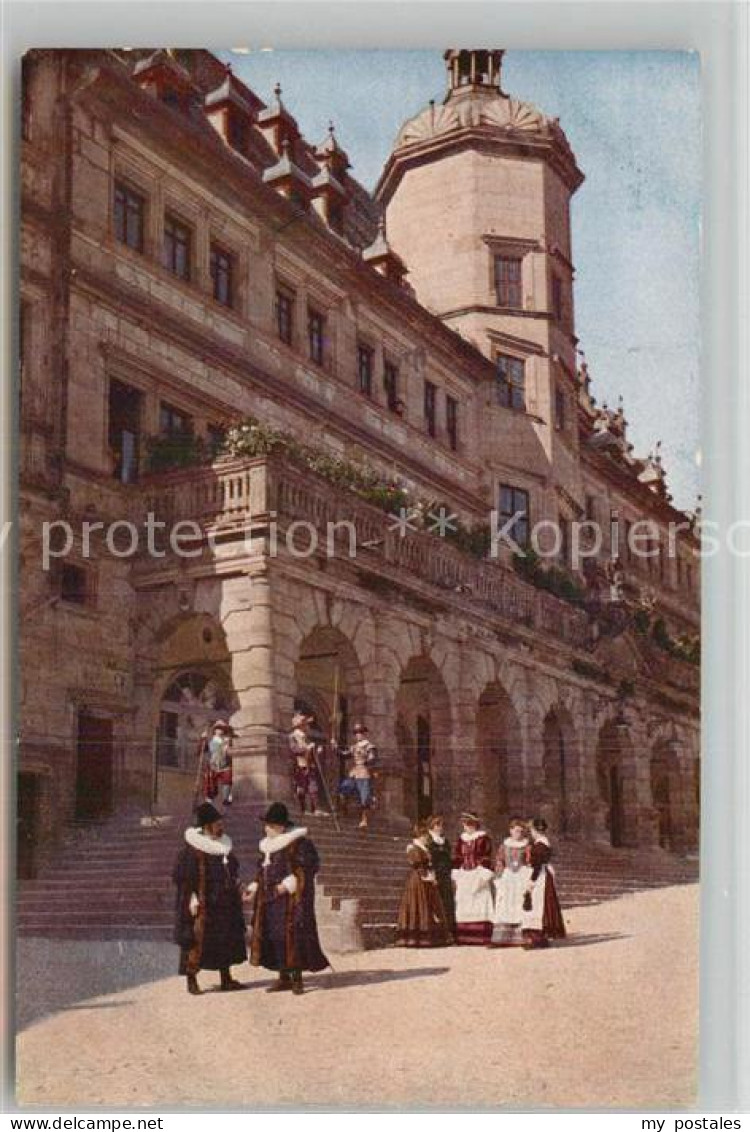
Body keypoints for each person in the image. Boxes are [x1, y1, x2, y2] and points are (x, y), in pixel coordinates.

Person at [245, 802, 330, 995]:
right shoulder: (268, 845)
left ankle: (297, 979)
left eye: (269, 825)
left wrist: (288, 884)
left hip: (290, 900)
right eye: (266, 825)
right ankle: (283, 977)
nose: (266, 829)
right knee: (275, 938)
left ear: (280, 826)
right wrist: (255, 886)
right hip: (270, 899)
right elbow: (263, 870)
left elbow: (307, 869)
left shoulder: (299, 843)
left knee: (293, 937)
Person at [172, 801, 246, 995]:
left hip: (224, 902)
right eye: (217, 823)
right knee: (196, 939)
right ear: (207, 826)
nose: (221, 826)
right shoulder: (193, 850)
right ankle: (191, 979)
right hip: (204, 902)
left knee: (225, 938)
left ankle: (226, 978)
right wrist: (191, 898)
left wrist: (238, 883)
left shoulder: (223, 846)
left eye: (221, 823)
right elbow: (183, 878)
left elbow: (232, 869)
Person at [396, 820, 451, 947]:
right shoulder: (413, 847)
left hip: (427, 877)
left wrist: (431, 875)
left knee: (429, 905)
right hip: (418, 879)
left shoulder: (424, 848)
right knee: (418, 904)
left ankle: (431, 937)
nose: (427, 839)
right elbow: (417, 864)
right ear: (421, 836)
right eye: (426, 837)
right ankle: (415, 937)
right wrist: (426, 875)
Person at [521, 817, 567, 949]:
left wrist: (531, 882)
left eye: (532, 830)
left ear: (535, 830)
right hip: (543, 875)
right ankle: (537, 938)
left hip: (540, 877)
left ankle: (537, 939)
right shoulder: (542, 843)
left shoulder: (540, 845)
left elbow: (537, 866)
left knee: (538, 905)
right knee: (538, 906)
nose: (531, 833)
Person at [451, 812, 494, 945]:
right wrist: (456, 871)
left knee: (479, 901)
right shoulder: (461, 839)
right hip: (464, 874)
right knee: (465, 902)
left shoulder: (483, 838)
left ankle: (482, 936)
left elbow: (487, 856)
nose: (466, 827)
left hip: (478, 872)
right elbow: (458, 856)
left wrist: (484, 873)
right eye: (464, 824)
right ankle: (464, 936)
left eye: (469, 824)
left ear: (475, 824)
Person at [490, 818, 532, 947]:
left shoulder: (526, 846)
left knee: (519, 903)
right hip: (508, 877)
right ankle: (501, 938)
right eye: (515, 831)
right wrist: (498, 877)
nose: (518, 834)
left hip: (521, 876)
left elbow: (529, 862)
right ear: (510, 831)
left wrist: (528, 876)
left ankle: (520, 937)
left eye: (520, 831)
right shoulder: (504, 846)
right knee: (505, 904)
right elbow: (499, 861)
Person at [337, 722, 378, 829]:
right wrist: (335, 748)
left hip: (364, 772)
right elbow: (345, 755)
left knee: (364, 799)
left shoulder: (369, 746)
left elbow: (372, 757)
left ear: (364, 733)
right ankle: (344, 810)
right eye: (356, 733)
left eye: (360, 732)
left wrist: (368, 760)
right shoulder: (354, 746)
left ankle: (364, 820)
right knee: (343, 790)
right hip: (354, 772)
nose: (358, 735)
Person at [426, 814, 456, 941]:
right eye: (437, 825)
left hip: (446, 875)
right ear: (431, 826)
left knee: (448, 903)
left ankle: (449, 933)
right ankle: (436, 934)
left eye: (441, 825)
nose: (440, 828)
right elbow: (428, 859)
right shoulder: (428, 840)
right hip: (435, 874)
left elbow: (449, 859)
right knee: (435, 903)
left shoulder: (445, 841)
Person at [288, 711, 321, 816]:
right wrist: (306, 748)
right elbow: (294, 749)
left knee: (313, 786)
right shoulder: (293, 736)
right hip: (299, 764)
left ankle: (315, 809)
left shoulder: (305, 737)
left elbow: (311, 752)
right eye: (305, 724)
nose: (307, 726)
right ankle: (303, 809)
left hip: (309, 764)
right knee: (301, 787)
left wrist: (316, 751)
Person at [203, 720, 233, 806]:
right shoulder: (211, 740)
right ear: (215, 730)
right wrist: (203, 740)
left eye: (222, 729)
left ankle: (226, 798)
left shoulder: (227, 740)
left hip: (225, 764)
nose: (221, 731)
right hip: (214, 764)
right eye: (219, 729)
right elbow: (203, 749)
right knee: (210, 784)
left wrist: (228, 745)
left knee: (228, 779)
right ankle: (209, 801)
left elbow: (229, 751)